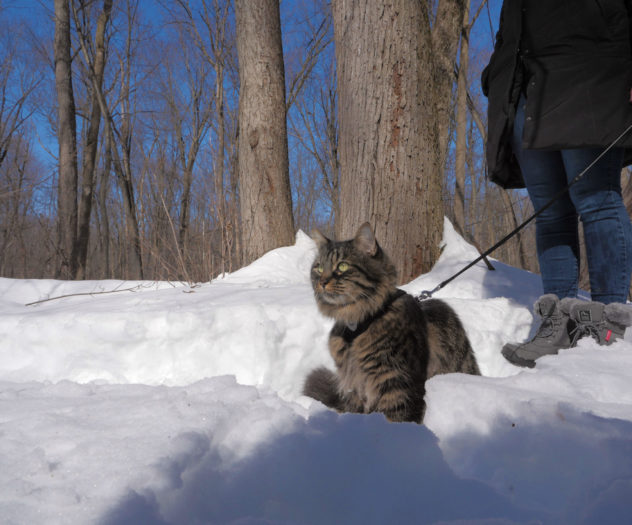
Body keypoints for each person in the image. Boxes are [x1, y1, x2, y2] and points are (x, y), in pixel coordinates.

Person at [482, 0, 632, 367]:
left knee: (597, 201)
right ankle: (558, 323)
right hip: (523, 87)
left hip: (591, 72)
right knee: (550, 214)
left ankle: (609, 324)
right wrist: (495, 74)